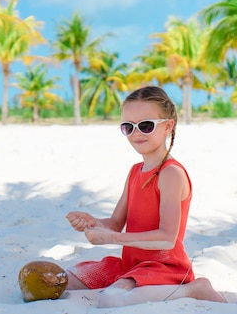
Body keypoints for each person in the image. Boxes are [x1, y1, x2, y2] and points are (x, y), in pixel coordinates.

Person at [65, 86, 226, 308]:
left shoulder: (171, 173)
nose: (136, 133)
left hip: (164, 267)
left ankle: (193, 289)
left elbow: (167, 238)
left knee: (110, 299)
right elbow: (115, 223)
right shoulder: (134, 171)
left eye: (146, 125)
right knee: (64, 280)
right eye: (128, 127)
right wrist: (94, 223)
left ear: (168, 126)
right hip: (129, 264)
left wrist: (112, 239)